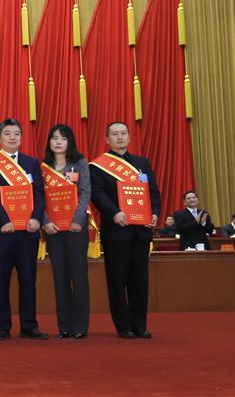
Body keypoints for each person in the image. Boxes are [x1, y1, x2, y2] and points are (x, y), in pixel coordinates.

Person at [89, 121, 161, 339]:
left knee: (140, 280)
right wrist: (114, 213)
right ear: (107, 139)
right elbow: (98, 195)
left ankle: (140, 325)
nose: (119, 137)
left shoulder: (142, 163)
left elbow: (153, 193)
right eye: (115, 134)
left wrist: (155, 213)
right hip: (116, 231)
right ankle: (123, 326)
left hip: (141, 231)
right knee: (117, 279)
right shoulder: (98, 166)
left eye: (123, 134)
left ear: (129, 138)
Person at [0, 118, 48, 340]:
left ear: (21, 137)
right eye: (7, 133)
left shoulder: (31, 163)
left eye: (16, 133)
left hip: (28, 231)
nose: (12, 137)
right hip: (3, 232)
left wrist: (37, 218)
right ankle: (3, 327)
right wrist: (4, 220)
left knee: (28, 280)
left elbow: (39, 192)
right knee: (1, 280)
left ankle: (29, 325)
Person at [41, 124, 91, 339]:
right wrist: (45, 221)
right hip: (53, 229)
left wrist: (78, 220)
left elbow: (85, 192)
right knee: (59, 277)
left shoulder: (80, 164)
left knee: (78, 276)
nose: (58, 141)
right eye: (54, 138)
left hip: (75, 228)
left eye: (62, 138)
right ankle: (64, 326)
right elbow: (38, 198)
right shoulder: (43, 167)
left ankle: (80, 326)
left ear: (69, 141)